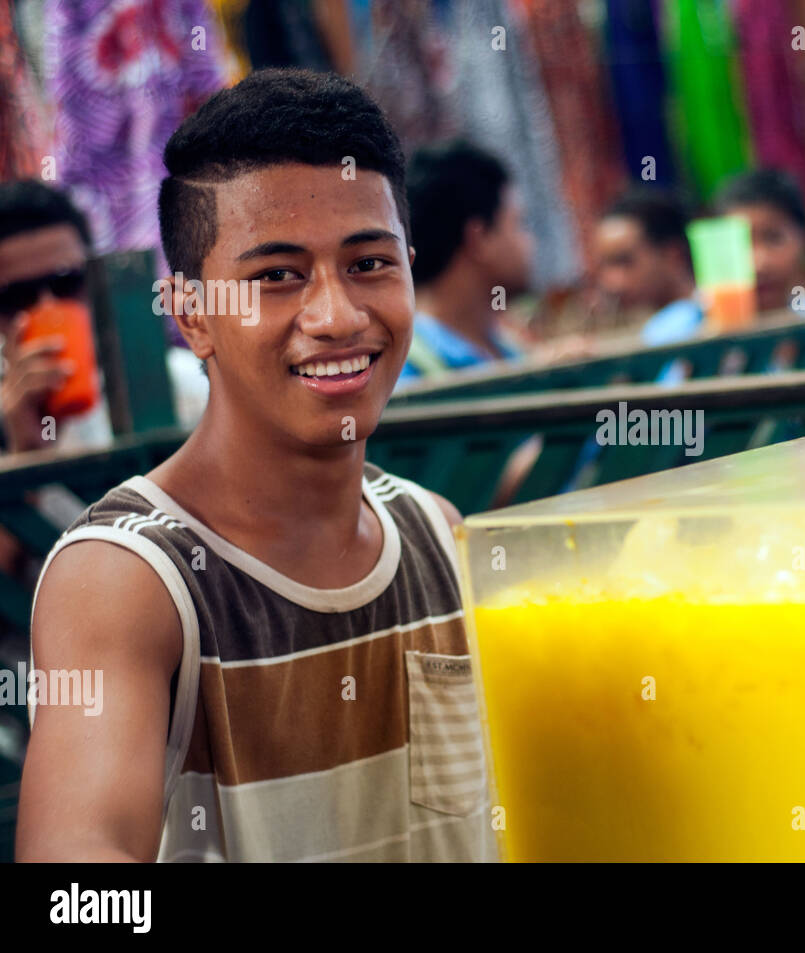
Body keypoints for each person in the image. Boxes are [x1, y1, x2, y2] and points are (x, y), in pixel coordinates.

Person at [16, 69, 494, 862]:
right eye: (276, 276)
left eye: (369, 262)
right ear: (191, 313)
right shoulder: (129, 577)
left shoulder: (436, 532)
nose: (337, 315)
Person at [395, 141, 533, 389]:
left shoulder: (509, 348)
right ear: (479, 238)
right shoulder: (404, 374)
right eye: (518, 224)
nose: (529, 243)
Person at [0, 181, 113, 454]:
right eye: (19, 296)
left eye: (66, 283)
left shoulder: (184, 391)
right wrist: (24, 455)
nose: (48, 306)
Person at [595, 187, 703, 347]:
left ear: (673, 256)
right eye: (604, 265)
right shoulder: (657, 327)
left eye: (624, 261)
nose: (611, 283)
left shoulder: (697, 320)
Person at [715, 168, 805, 317]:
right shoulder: (689, 330)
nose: (759, 263)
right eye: (740, 244)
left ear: (803, 240)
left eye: (774, 238)